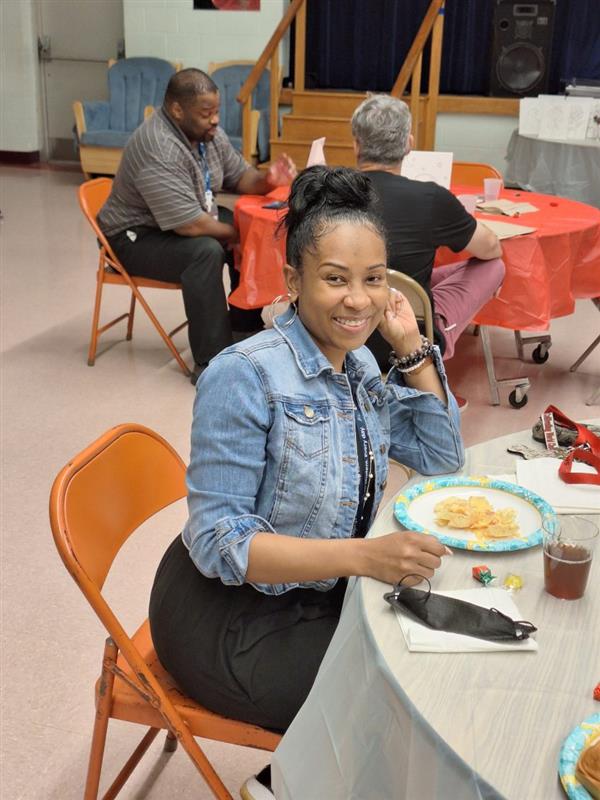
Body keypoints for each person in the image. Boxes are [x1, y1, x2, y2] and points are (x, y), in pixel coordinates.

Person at [148, 166, 464, 800]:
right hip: (227, 618)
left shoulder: (359, 362)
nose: (359, 300)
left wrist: (409, 344)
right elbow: (218, 544)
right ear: (293, 281)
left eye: (374, 280)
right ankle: (286, 784)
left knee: (434, 661)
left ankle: (288, 778)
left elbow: (440, 453)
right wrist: (364, 558)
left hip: (319, 592)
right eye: (336, 279)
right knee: (406, 700)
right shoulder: (247, 375)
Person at [97, 67, 296, 384]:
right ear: (177, 110)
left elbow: (241, 177)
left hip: (179, 220)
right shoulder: (158, 145)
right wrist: (237, 235)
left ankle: (243, 329)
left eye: (217, 111)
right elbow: (189, 225)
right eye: (207, 113)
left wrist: (266, 179)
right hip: (131, 237)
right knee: (205, 252)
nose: (215, 120)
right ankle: (212, 363)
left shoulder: (206, 135)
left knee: (245, 227)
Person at [351, 94, 505, 374]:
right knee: (494, 266)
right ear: (409, 144)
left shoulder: (329, 191)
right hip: (405, 343)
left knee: (392, 273)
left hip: (337, 336)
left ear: (356, 145)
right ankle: (437, 335)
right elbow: (491, 248)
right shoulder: (431, 197)